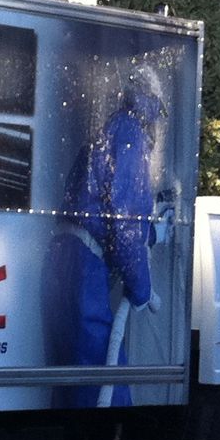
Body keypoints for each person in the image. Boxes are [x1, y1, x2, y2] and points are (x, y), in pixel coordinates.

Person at [44, 66, 166, 407]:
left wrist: (148, 232)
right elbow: (125, 217)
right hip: (85, 264)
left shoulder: (107, 129)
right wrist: (141, 286)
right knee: (102, 376)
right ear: (152, 104)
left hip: (61, 254)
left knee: (68, 375)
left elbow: (101, 201)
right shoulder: (131, 132)